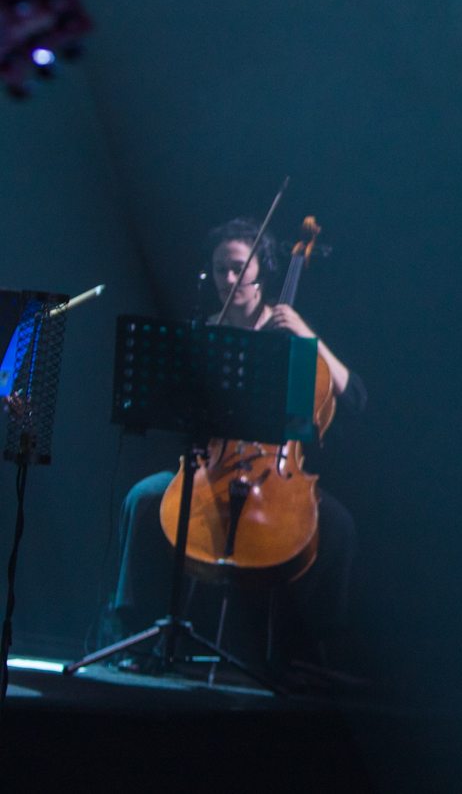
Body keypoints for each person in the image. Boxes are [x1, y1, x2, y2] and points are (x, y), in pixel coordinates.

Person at [109, 217, 365, 672]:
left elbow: (356, 397)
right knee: (144, 497)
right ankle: (134, 635)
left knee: (339, 525)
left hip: (278, 472)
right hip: (212, 467)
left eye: (238, 269)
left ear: (262, 271)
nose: (228, 280)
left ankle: (306, 653)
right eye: (220, 269)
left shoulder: (292, 333)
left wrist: (308, 335)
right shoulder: (205, 331)